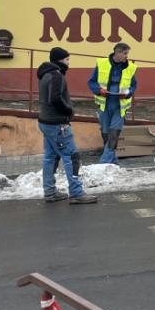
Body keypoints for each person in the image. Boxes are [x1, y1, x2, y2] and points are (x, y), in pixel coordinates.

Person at [37, 47, 97, 205]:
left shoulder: (45, 74)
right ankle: (76, 193)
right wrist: (68, 110)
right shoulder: (56, 75)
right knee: (72, 157)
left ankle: (50, 191)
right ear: (59, 60)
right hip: (57, 124)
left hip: (45, 121)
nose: (69, 62)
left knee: (50, 157)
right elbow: (55, 99)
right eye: (67, 59)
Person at [88, 42, 138, 165]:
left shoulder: (130, 67)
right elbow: (91, 82)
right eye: (125, 53)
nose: (126, 56)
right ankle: (113, 161)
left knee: (114, 132)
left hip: (120, 106)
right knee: (105, 132)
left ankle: (104, 162)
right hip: (104, 104)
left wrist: (128, 92)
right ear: (117, 52)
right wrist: (99, 90)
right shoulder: (102, 63)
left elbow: (133, 85)